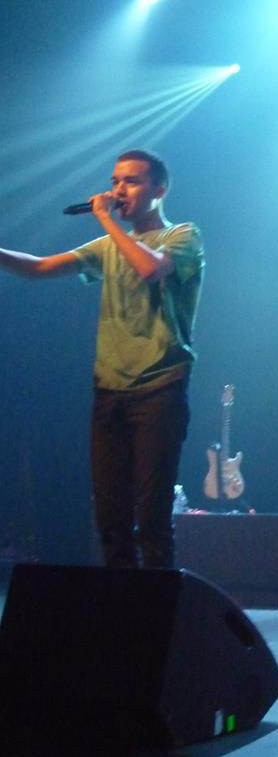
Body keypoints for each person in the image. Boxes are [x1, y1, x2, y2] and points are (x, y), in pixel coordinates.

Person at [0, 149, 204, 569]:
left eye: (131, 181)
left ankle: (158, 606)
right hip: (110, 390)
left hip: (160, 387)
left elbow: (150, 269)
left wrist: (106, 219)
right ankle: (120, 607)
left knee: (151, 519)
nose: (118, 189)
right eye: (115, 181)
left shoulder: (182, 236)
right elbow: (39, 268)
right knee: (111, 520)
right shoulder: (108, 246)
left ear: (159, 190)